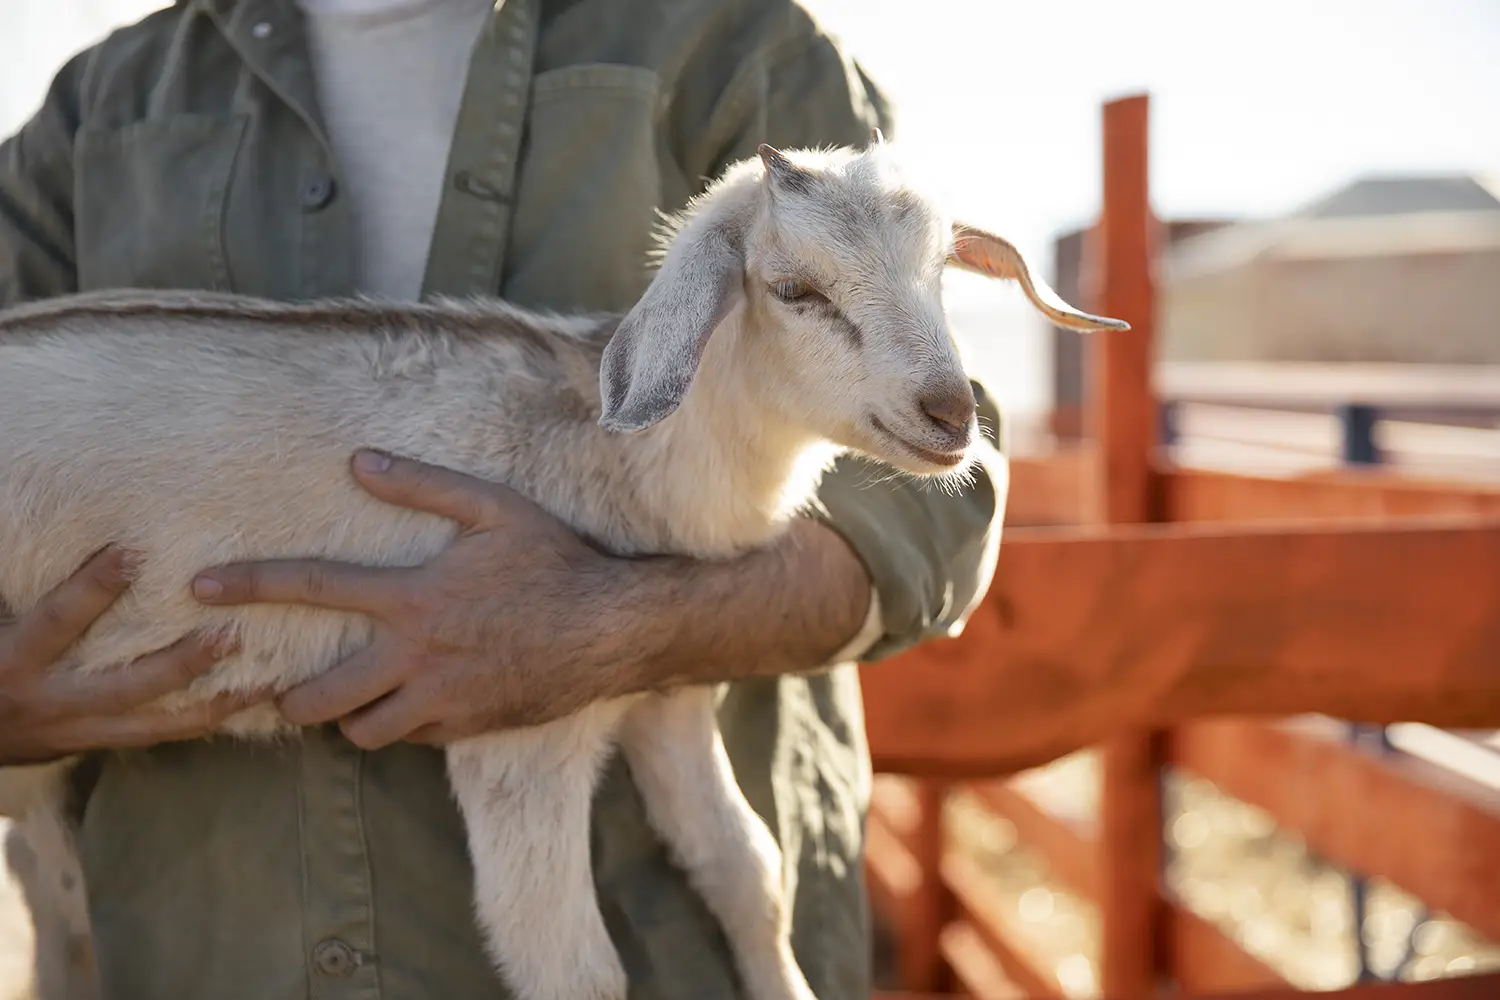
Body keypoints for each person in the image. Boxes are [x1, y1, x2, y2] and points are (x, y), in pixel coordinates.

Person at [0, 0, 1006, 997]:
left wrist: (622, 623)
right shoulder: (105, 105)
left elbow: (941, 497)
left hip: (669, 960)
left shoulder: (731, 43)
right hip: (199, 957)